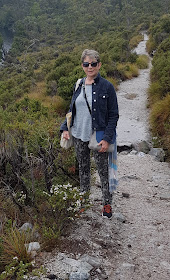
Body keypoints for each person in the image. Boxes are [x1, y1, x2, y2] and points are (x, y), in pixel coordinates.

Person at [60, 49, 119, 218]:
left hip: (98, 137)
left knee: (103, 172)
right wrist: (65, 128)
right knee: (83, 169)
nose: (90, 67)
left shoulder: (107, 87)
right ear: (82, 66)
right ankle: (84, 201)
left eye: (93, 64)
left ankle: (107, 204)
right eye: (86, 64)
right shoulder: (78, 84)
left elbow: (114, 114)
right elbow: (71, 109)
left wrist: (107, 138)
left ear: (99, 65)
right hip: (78, 135)